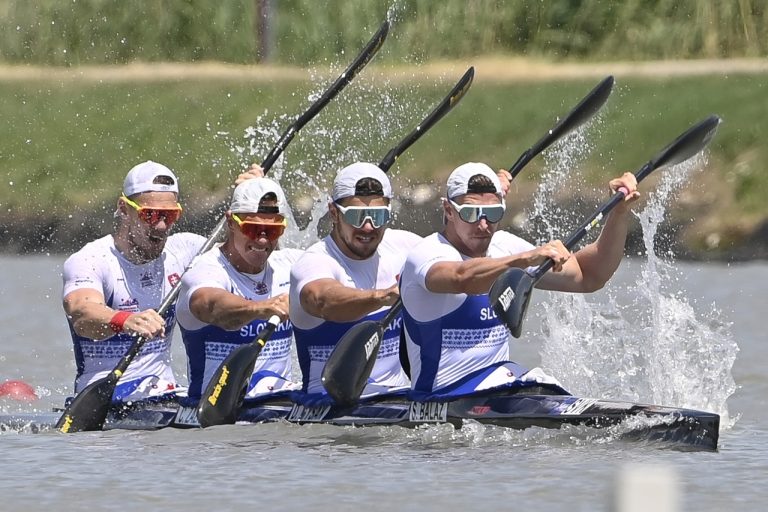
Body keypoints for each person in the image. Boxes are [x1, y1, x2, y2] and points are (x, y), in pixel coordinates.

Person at [399, 162, 639, 397]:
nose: (483, 224)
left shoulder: (505, 246)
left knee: (544, 384)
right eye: (471, 214)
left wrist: (618, 214)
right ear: (448, 211)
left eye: (493, 213)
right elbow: (463, 279)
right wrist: (525, 259)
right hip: (441, 397)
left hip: (499, 386)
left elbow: (590, 277)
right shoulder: (426, 254)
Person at [62, 160, 262, 403]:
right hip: (105, 399)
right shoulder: (92, 259)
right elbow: (82, 313)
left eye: (170, 215)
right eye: (151, 214)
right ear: (124, 209)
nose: (161, 225)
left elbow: (249, 259)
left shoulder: (187, 251)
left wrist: (251, 204)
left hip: (163, 394)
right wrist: (126, 320)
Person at [289, 162, 422, 399]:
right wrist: (383, 297)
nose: (368, 226)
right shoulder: (316, 262)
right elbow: (322, 301)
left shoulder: (404, 247)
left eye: (379, 215)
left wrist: (486, 203)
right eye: (357, 216)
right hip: (328, 406)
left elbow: (456, 258)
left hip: (396, 396)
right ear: (333, 213)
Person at [176, 178, 301, 403]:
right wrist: (261, 308)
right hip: (215, 407)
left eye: (272, 231)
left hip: (279, 403)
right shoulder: (206, 269)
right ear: (230, 222)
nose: (263, 239)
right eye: (253, 229)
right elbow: (210, 305)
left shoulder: (289, 264)